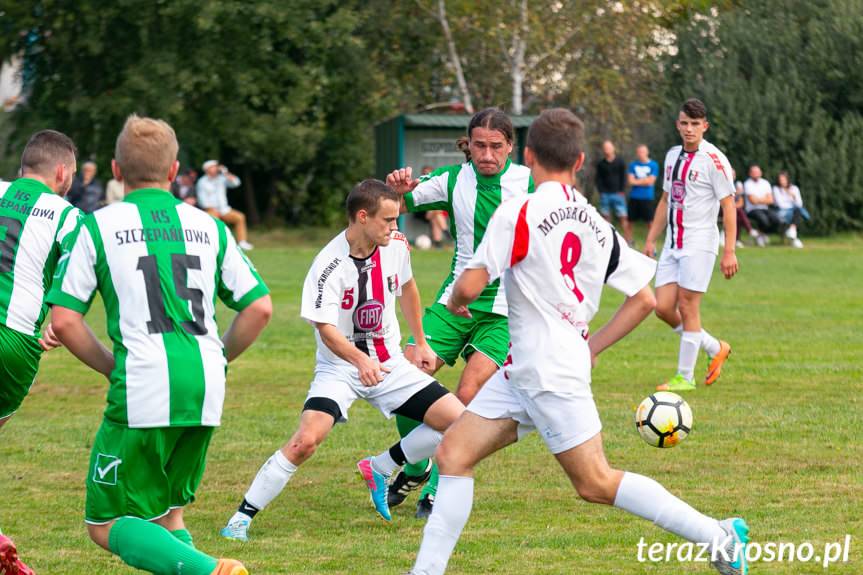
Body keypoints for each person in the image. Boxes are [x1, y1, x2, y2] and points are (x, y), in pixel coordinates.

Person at [408, 108, 749, 575]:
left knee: (595, 483)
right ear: (581, 160)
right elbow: (645, 299)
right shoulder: (593, 221)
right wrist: (591, 346)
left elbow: (467, 287)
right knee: (453, 453)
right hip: (524, 370)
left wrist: (466, 296)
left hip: (549, 374)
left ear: (527, 155)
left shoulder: (519, 212)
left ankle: (719, 535)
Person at [48, 114, 272, 575]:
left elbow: (66, 320)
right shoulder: (209, 226)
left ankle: (212, 571)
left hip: (144, 384)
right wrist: (218, 357)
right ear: (174, 172)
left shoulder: (96, 226)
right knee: (169, 513)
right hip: (205, 384)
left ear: (115, 169)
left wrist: (111, 366)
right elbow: (259, 308)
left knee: (105, 522)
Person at [219, 179, 465, 541]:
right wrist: (358, 360)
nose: (395, 228)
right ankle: (241, 518)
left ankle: (380, 466)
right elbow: (326, 329)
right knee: (306, 440)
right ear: (362, 217)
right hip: (340, 368)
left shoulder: (396, 245)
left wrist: (422, 343)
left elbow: (408, 288)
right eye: (388, 220)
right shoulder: (328, 264)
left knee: (461, 425)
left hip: (390, 362)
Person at [382, 108, 533, 519]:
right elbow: (396, 202)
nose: (487, 154)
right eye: (480, 145)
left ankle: (435, 489)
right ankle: (415, 467)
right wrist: (396, 188)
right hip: (454, 304)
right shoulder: (451, 180)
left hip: (504, 312)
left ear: (510, 147)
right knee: (405, 385)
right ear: (468, 144)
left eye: (496, 147)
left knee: (465, 398)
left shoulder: (528, 182)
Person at [0, 129, 82, 575]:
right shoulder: (68, 216)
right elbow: (79, 276)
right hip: (12, 342)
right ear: (62, 172)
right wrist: (60, 319)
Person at [644, 98, 738, 392]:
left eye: (695, 124)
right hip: (673, 244)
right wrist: (650, 238)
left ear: (705, 127)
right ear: (678, 124)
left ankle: (685, 376)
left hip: (700, 243)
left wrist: (730, 251)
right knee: (661, 307)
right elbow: (664, 200)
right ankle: (714, 346)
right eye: (684, 123)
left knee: (687, 304)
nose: (689, 129)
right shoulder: (672, 156)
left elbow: (729, 206)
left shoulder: (715, 160)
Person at [196, 160, 252, 250]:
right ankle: (218, 245)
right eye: (213, 166)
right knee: (216, 224)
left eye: (216, 166)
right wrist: (212, 210)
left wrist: (226, 173)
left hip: (224, 210)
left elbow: (236, 183)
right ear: (207, 169)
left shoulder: (222, 178)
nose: (216, 168)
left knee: (240, 217)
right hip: (210, 210)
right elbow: (202, 200)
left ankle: (242, 242)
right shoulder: (202, 182)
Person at [596, 139, 633, 245]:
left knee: (623, 217)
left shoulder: (620, 162)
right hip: (605, 195)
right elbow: (598, 179)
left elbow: (623, 177)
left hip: (618, 194)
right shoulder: (601, 164)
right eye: (605, 148)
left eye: (609, 148)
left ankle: (628, 241)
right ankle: (608, 241)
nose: (607, 150)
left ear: (613, 149)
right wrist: (601, 191)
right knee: (605, 218)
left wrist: (621, 191)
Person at [627, 144, 660, 232]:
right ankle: (629, 242)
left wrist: (637, 181)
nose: (641, 154)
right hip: (634, 197)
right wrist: (645, 181)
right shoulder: (633, 165)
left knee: (650, 222)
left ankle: (652, 244)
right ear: (637, 153)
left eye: (643, 152)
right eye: (639, 152)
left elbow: (651, 182)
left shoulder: (654, 165)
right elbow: (630, 181)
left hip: (647, 197)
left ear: (647, 152)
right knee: (629, 221)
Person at [773, 171, 810, 248]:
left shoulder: (794, 188)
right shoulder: (776, 189)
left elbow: (799, 204)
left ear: (787, 179)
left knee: (797, 211)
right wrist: (790, 204)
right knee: (797, 213)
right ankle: (793, 236)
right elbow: (780, 204)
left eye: (783, 179)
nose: (782, 181)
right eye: (780, 180)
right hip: (782, 212)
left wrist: (793, 197)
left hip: (794, 211)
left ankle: (792, 233)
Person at [416, 165, 449, 248]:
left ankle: (438, 243)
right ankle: (445, 230)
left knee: (435, 216)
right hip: (422, 211)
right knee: (436, 213)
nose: (426, 175)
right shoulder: (418, 184)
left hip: (435, 211)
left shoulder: (437, 185)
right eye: (424, 173)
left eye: (428, 173)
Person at [743, 165, 780, 237]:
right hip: (752, 210)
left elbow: (771, 200)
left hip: (764, 209)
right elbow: (753, 201)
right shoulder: (747, 184)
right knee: (763, 220)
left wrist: (758, 199)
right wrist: (764, 198)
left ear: (761, 173)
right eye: (754, 172)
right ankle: (761, 235)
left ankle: (761, 233)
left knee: (777, 220)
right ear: (750, 173)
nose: (756, 174)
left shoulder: (765, 183)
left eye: (757, 172)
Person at [733, 173, 762, 247]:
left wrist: (733, 206)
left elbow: (740, 203)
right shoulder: (723, 183)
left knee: (738, 216)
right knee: (739, 211)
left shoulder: (738, 184)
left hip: (734, 210)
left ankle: (737, 240)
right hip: (723, 209)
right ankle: (749, 230)